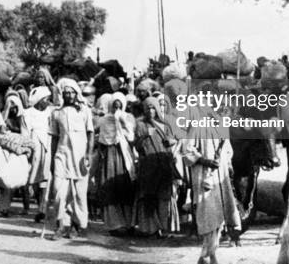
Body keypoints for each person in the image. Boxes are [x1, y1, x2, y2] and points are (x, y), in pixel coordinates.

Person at [183, 111, 241, 264]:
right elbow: (187, 152)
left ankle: (210, 254)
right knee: (207, 214)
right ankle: (206, 255)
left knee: (220, 215)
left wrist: (228, 165)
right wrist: (205, 161)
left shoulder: (222, 127)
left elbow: (228, 151)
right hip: (204, 177)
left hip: (221, 179)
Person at [49, 78, 94, 239]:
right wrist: (51, 159)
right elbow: (54, 137)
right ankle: (60, 225)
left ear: (76, 93)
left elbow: (90, 133)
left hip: (80, 156)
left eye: (71, 92)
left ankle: (76, 225)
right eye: (66, 93)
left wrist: (88, 154)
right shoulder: (56, 112)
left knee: (79, 193)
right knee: (58, 191)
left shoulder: (84, 111)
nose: (68, 95)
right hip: (62, 154)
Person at [132, 96, 180, 237]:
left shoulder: (163, 125)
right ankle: (150, 228)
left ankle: (164, 227)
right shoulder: (140, 125)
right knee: (149, 196)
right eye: (148, 108)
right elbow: (137, 145)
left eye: (153, 108)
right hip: (148, 165)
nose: (150, 111)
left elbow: (173, 141)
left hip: (163, 163)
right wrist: (145, 136)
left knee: (163, 197)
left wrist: (170, 142)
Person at [97, 92, 136, 236]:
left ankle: (128, 222)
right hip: (110, 156)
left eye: (120, 104)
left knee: (125, 186)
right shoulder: (104, 120)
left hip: (124, 154)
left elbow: (131, 137)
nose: (117, 107)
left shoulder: (128, 118)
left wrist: (122, 122)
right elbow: (101, 139)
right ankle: (114, 224)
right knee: (110, 187)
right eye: (115, 105)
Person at [21, 86, 54, 222]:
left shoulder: (51, 112)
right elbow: (25, 133)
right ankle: (39, 206)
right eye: (46, 99)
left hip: (48, 146)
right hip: (35, 147)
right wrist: (28, 149)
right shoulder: (27, 113)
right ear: (39, 100)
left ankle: (43, 209)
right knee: (34, 179)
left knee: (46, 179)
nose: (48, 101)